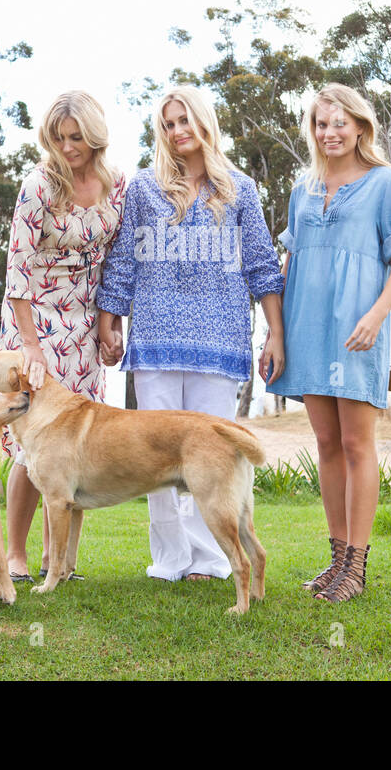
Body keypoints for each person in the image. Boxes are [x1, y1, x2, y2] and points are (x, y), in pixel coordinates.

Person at [95, 85, 285, 583]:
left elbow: (264, 266)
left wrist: (274, 335)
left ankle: (210, 559)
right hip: (154, 341)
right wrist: (108, 320)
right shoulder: (142, 187)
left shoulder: (240, 188)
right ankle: (170, 559)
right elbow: (122, 261)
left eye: (185, 120)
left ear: (204, 122)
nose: (178, 131)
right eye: (169, 124)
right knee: (151, 458)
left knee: (212, 462)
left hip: (220, 344)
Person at [267, 83, 391, 603]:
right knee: (327, 445)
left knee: (357, 444)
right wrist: (277, 332)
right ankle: (335, 561)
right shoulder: (302, 189)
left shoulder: (385, 183)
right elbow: (290, 262)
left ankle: (356, 565)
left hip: (357, 330)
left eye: (339, 123)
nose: (329, 133)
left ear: (359, 127)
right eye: (320, 124)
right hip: (307, 326)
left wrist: (377, 315)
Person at [0, 90, 127, 582]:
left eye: (76, 137)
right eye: (58, 137)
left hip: (83, 322)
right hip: (35, 319)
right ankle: (16, 555)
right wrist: (29, 344)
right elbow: (17, 268)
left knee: (74, 446)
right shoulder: (38, 185)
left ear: (94, 136)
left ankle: (60, 560)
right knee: (32, 444)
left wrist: (108, 323)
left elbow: (116, 261)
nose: (68, 147)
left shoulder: (115, 186)